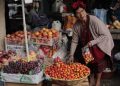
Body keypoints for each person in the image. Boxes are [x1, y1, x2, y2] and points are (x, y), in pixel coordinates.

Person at [67, 0, 114, 86]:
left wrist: (92, 42)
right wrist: (71, 55)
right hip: (87, 47)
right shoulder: (77, 25)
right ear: (75, 15)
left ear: (85, 10)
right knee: (88, 64)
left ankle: (98, 81)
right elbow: (74, 41)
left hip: (98, 45)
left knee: (98, 65)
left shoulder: (94, 20)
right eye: (78, 13)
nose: (81, 14)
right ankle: (91, 79)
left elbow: (105, 35)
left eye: (82, 11)